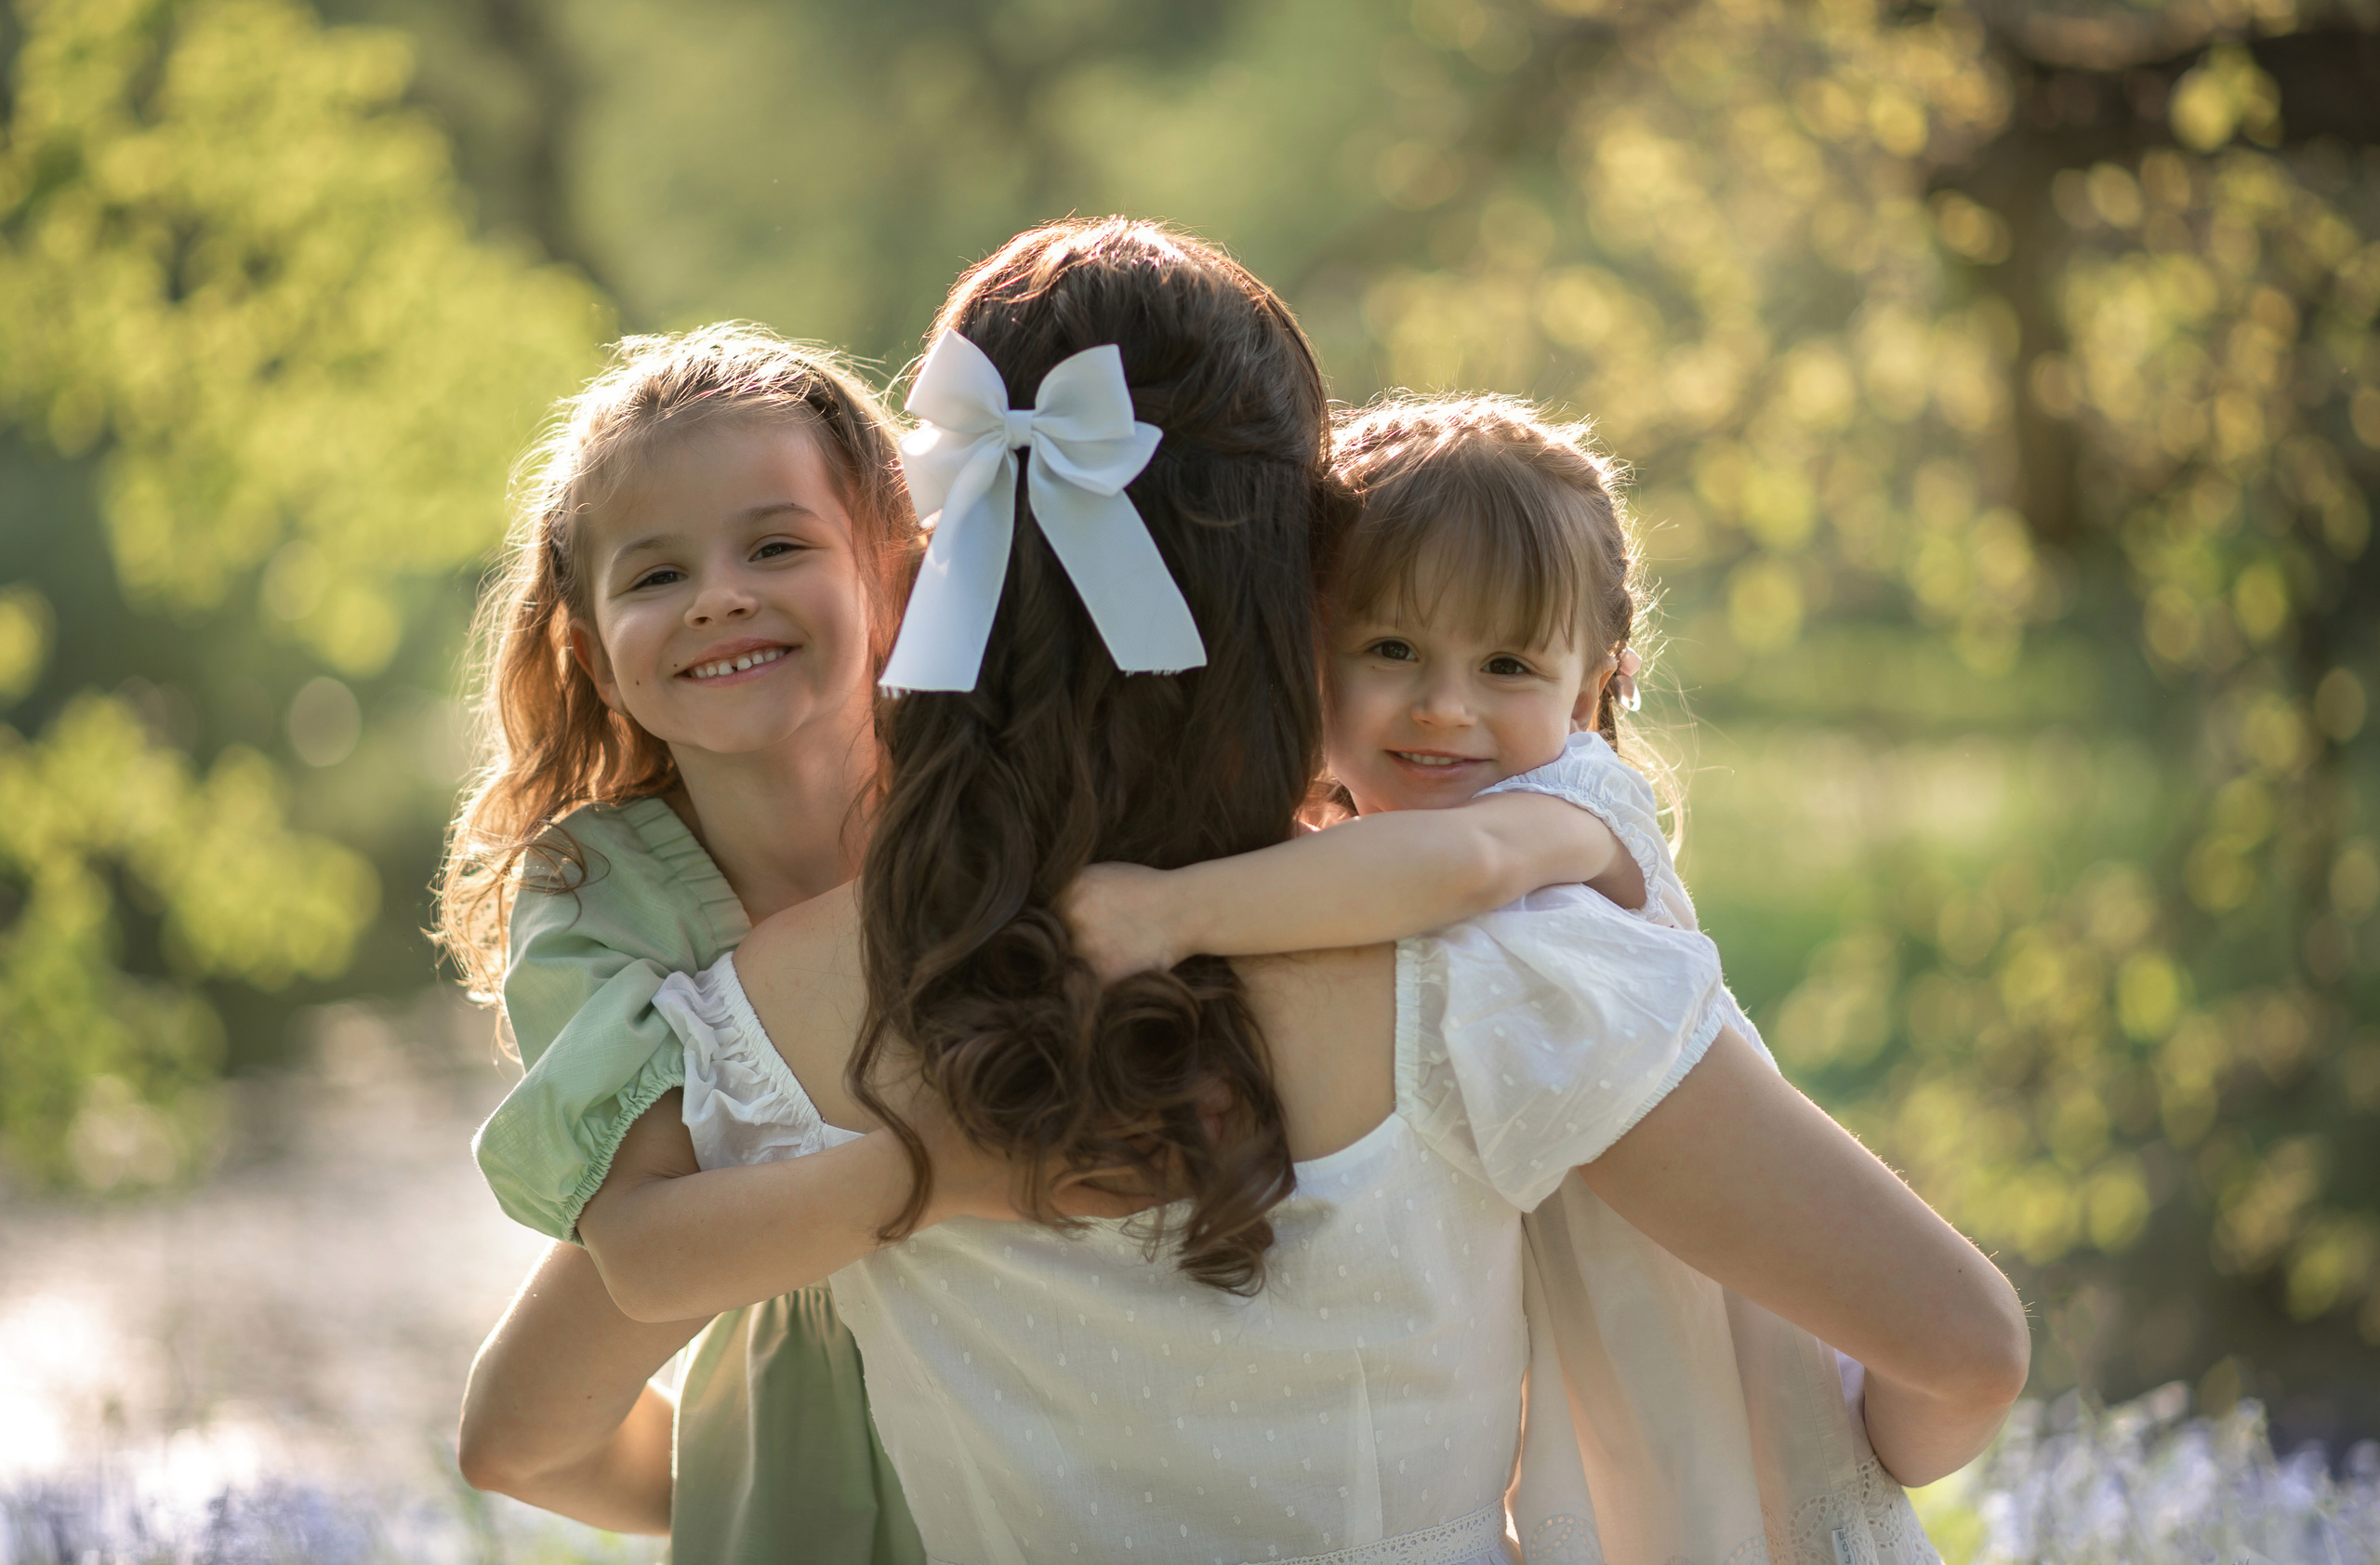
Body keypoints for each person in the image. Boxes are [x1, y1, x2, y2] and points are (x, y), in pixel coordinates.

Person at [554, 218, 2028, 1564]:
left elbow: (525, 1428)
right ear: (1297, 577)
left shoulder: (760, 1017)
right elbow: (1966, 1351)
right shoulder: (1488, 968)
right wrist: (1832, 1461)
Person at [1057, 392, 1950, 1562]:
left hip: (1737, 1451)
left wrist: (1170, 912)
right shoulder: (1349, 858)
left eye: (1507, 665)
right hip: (1605, 1456)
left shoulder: (1574, 812)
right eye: (1390, 649)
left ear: (1589, 693)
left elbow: (1465, 861)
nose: (1444, 705)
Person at [435, 324, 925, 1563]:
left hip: (1052, 1384)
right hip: (810, 1452)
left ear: (894, 571)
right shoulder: (596, 894)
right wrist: (952, 1173)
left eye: (776, 545)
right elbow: (649, 1255)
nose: (718, 594)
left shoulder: (999, 807)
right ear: (595, 661)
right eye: (656, 576)